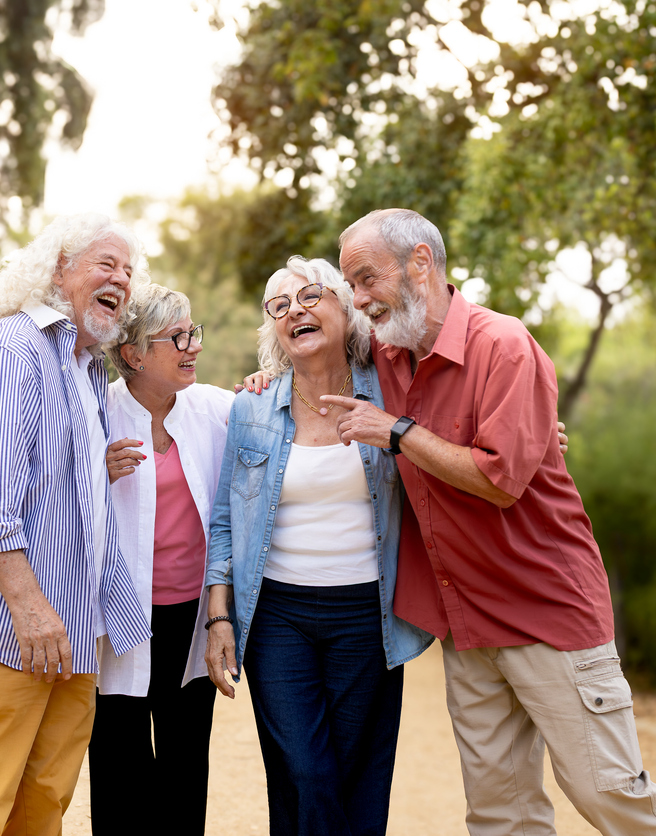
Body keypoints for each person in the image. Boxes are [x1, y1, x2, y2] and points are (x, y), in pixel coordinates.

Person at [322, 208, 656, 836]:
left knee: (608, 794)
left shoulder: (502, 345)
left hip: (546, 611)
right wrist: (260, 381)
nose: (358, 299)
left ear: (420, 263)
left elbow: (498, 481)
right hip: (467, 622)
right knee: (499, 813)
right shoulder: (386, 353)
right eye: (351, 284)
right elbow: (308, 350)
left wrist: (398, 433)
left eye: (366, 278)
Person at [0, 213, 153, 836]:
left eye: (128, 271)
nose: (121, 279)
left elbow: (42, 479)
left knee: (40, 812)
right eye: (106, 264)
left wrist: (91, 469)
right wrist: (31, 608)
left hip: (71, 632)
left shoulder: (85, 368)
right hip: (3, 628)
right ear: (58, 269)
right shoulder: (7, 350)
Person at [204, 256, 435, 836]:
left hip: (368, 614)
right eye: (279, 306)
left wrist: (536, 434)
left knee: (359, 773)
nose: (294, 311)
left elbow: (452, 435)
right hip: (277, 616)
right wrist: (219, 616)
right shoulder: (252, 407)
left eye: (309, 296)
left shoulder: (390, 393)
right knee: (303, 770)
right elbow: (226, 519)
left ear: (345, 307)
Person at [89, 283, 234, 835]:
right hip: (119, 620)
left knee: (185, 765)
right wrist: (94, 474)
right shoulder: (98, 412)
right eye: (177, 337)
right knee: (119, 763)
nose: (193, 345)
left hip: (190, 618)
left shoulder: (214, 408)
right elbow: (46, 493)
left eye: (193, 332)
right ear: (133, 354)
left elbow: (275, 412)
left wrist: (263, 382)